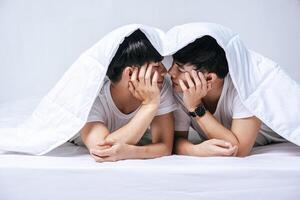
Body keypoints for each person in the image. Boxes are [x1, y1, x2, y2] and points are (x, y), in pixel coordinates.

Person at [168, 35, 286, 157]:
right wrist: (195, 150)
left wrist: (195, 107)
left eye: (180, 69)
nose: (170, 72)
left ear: (209, 78)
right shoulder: (180, 88)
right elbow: (175, 140)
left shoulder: (243, 87)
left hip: (282, 137)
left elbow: (238, 150)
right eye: (173, 64)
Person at [71, 30, 177, 162]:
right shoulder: (93, 98)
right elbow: (101, 149)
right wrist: (149, 105)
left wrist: (131, 152)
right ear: (131, 73)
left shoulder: (158, 86)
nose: (165, 71)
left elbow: (165, 147)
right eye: (156, 66)